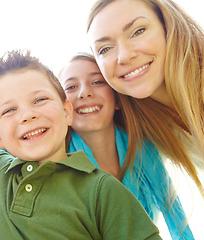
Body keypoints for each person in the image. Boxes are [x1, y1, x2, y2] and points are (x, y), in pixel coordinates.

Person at [0, 49, 162, 239]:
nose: (28, 115)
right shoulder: (0, 171)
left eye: (39, 100)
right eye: (9, 110)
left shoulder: (102, 189)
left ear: (66, 111)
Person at [86, 0, 204, 211]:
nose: (124, 56)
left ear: (167, 26)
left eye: (138, 31)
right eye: (105, 48)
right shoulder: (138, 123)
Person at [59, 53, 193, 239]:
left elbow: (175, 215)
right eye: (71, 87)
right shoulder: (56, 165)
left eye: (97, 82)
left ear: (118, 101)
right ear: (63, 108)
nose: (84, 92)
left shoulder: (144, 150)